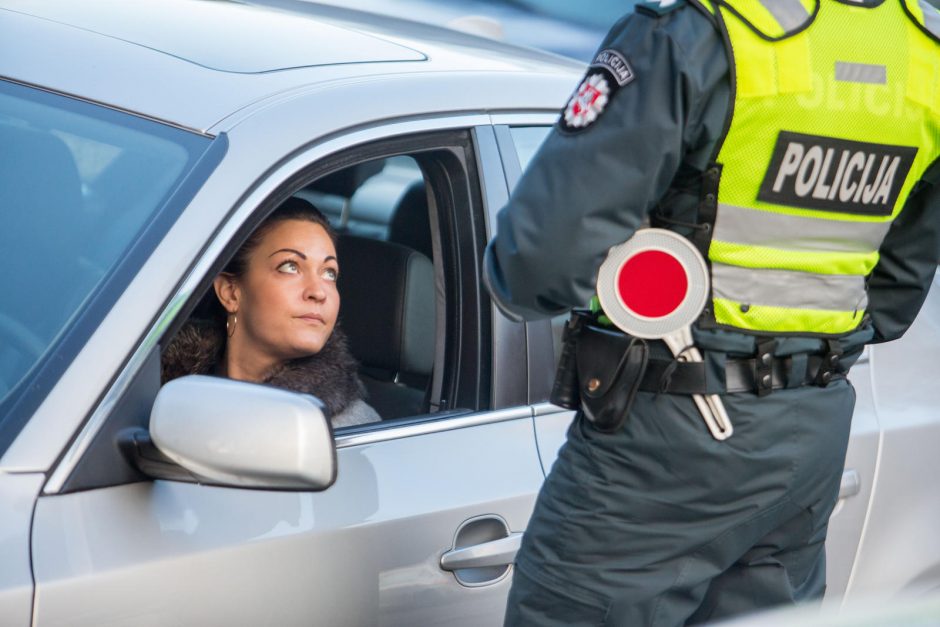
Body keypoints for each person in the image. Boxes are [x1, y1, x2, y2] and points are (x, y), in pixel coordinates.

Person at [484, 0, 940, 625]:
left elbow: (537, 261)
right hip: (810, 433)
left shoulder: (700, 30)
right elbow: (893, 295)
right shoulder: (925, 49)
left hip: (666, 432)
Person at [162, 197, 380, 428]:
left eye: (329, 273)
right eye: (290, 267)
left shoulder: (350, 427)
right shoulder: (150, 393)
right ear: (230, 292)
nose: (318, 292)